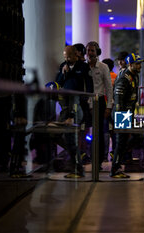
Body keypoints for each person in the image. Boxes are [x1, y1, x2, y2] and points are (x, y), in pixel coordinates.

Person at [56, 45, 93, 178]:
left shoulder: (83, 67)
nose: (67, 59)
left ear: (75, 55)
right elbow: (58, 82)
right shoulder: (63, 65)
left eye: (69, 57)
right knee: (57, 134)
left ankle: (77, 166)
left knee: (73, 136)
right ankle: (75, 154)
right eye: (65, 57)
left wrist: (88, 102)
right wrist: (63, 73)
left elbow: (87, 86)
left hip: (77, 106)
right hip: (65, 106)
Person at [110, 53, 142, 178]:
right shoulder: (125, 77)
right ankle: (115, 169)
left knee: (127, 141)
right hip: (121, 114)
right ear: (130, 64)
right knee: (121, 143)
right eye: (137, 64)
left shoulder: (135, 76)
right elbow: (118, 99)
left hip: (128, 114)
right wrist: (122, 118)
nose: (139, 66)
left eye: (140, 63)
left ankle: (117, 166)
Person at [86, 41, 113, 170]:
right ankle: (86, 157)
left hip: (100, 102)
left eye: (92, 50)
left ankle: (99, 160)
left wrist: (109, 106)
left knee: (99, 133)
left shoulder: (103, 67)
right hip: (86, 102)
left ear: (97, 52)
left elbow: (108, 88)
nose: (90, 53)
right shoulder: (84, 67)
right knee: (84, 131)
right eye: (88, 50)